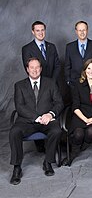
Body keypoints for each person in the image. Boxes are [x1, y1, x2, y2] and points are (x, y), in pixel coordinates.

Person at [9, 57, 64, 185]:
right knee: (14, 132)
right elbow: (20, 107)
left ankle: (48, 162)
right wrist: (37, 117)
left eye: (37, 67)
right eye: (32, 67)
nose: (35, 70)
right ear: (27, 69)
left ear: (41, 68)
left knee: (56, 130)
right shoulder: (19, 85)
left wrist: (50, 114)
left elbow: (59, 103)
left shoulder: (50, 83)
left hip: (47, 120)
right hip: (27, 121)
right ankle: (17, 167)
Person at [22, 21, 61, 152]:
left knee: (53, 111)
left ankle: (53, 142)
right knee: (39, 110)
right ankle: (40, 144)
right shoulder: (27, 49)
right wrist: (43, 83)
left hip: (52, 85)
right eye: (37, 30)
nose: (40, 32)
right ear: (33, 32)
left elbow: (57, 65)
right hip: (38, 86)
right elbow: (31, 70)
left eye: (42, 30)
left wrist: (52, 83)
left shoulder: (52, 46)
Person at [64, 20, 92, 87]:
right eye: (80, 30)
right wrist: (68, 81)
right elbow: (67, 66)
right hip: (74, 83)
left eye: (84, 30)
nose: (82, 32)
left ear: (87, 30)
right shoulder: (69, 47)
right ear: (76, 31)